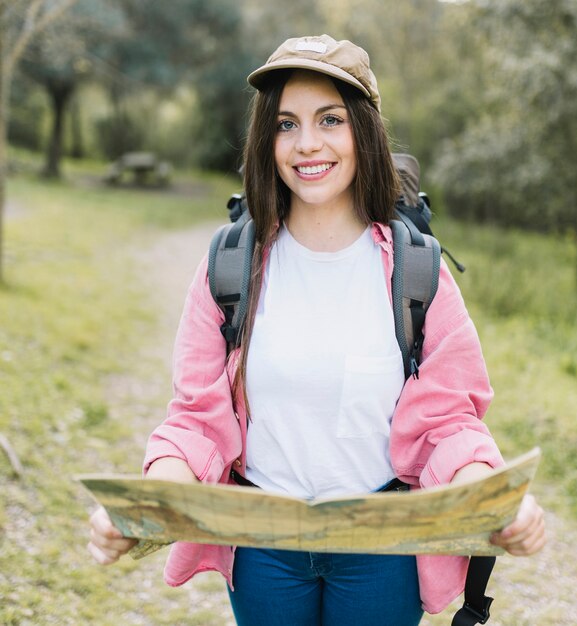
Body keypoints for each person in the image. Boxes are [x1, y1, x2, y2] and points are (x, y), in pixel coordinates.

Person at [88, 34, 546, 625]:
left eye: (330, 119)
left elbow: (449, 422)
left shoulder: (417, 271)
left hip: (382, 549)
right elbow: (197, 421)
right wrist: (144, 511)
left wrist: (494, 502)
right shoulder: (229, 267)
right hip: (264, 548)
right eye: (286, 124)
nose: (307, 144)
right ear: (266, 139)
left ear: (364, 131)